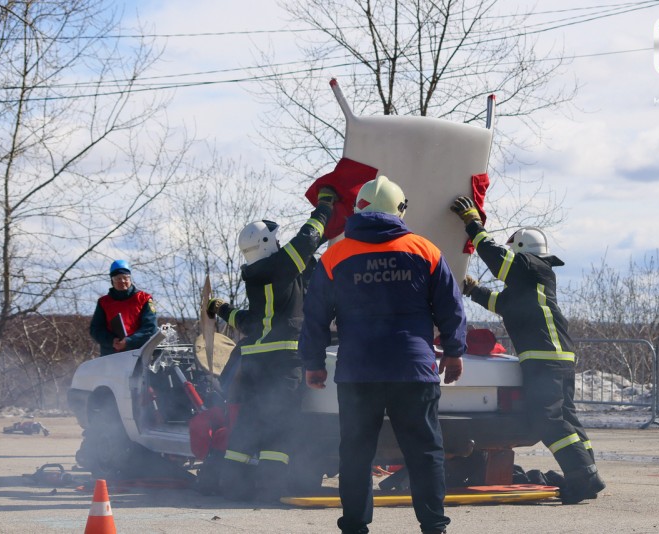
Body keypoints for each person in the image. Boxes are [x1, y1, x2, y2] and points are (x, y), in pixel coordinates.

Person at [300, 176, 467, 534]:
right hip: (413, 369)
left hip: (359, 371)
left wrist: (313, 363)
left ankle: (355, 527)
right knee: (424, 451)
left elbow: (314, 315)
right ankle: (434, 527)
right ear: (400, 209)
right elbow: (451, 307)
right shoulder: (425, 249)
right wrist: (453, 352)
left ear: (359, 208)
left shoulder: (335, 254)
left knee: (357, 452)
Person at [449, 195, 605, 505]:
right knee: (566, 419)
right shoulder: (529, 285)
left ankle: (581, 475)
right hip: (556, 356)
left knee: (547, 420)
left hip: (544, 358)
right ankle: (587, 474)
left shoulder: (531, 267)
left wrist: (472, 224)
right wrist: (473, 290)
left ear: (521, 250)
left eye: (512, 251)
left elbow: (497, 259)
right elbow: (500, 304)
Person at [205, 186, 338, 502]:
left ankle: (232, 486)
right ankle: (269, 489)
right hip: (282, 362)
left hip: (253, 363)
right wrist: (325, 207)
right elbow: (308, 239)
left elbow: (251, 323)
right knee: (280, 428)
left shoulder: (255, 275)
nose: (280, 243)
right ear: (266, 243)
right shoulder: (279, 267)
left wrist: (222, 309)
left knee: (249, 425)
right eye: (275, 240)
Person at [89, 260, 158, 356]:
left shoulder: (144, 299)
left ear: (130, 279)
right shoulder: (103, 302)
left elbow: (150, 328)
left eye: (125, 278)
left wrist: (129, 341)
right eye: (118, 278)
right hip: (110, 356)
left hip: (138, 354)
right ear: (112, 281)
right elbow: (96, 329)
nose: (122, 281)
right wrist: (111, 341)